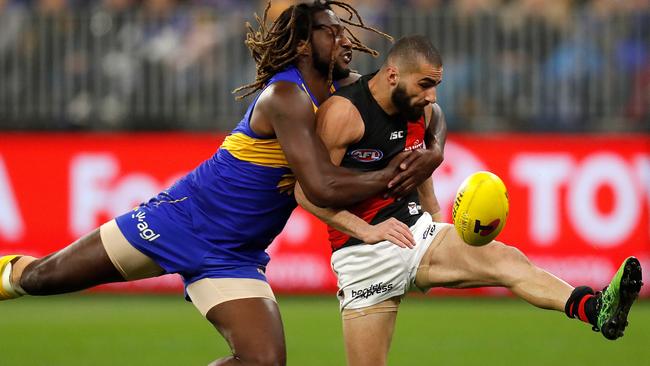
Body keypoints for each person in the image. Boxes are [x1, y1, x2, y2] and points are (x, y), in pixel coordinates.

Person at [0, 3, 444, 366]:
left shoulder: (345, 90)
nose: (346, 39)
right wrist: (392, 174)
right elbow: (321, 187)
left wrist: (435, 151)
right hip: (180, 221)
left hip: (234, 256)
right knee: (41, 278)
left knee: (263, 361)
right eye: (333, 32)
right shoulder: (285, 97)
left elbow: (420, 107)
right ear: (305, 44)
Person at [295, 35, 644, 366]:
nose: (432, 97)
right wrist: (366, 231)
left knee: (506, 260)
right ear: (392, 75)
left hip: (417, 235)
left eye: (435, 86)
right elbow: (306, 192)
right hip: (362, 256)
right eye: (425, 85)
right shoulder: (344, 114)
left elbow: (422, 156)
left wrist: (433, 214)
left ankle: (594, 308)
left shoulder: (420, 109)